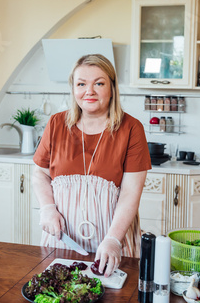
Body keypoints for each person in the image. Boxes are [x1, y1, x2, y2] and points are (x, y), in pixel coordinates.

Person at [32, 54, 151, 277]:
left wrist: (114, 239)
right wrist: (47, 208)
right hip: (62, 240)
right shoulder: (57, 123)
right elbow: (40, 174)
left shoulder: (131, 129)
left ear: (112, 87)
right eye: (81, 84)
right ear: (73, 88)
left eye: (99, 83)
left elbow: (131, 192)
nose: (89, 91)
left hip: (113, 243)